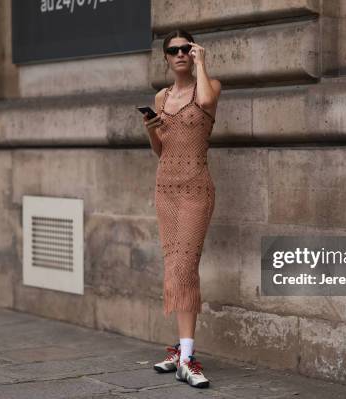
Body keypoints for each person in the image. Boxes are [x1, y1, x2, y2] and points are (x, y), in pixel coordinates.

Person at [142, 29, 221, 389]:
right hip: (166, 190)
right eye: (173, 50)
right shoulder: (161, 96)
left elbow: (205, 103)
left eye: (186, 49)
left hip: (195, 189)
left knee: (185, 267)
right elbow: (161, 151)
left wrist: (202, 63)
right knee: (174, 266)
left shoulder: (209, 85)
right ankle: (180, 350)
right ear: (165, 57)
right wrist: (150, 129)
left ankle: (187, 358)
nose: (180, 54)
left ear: (194, 52)